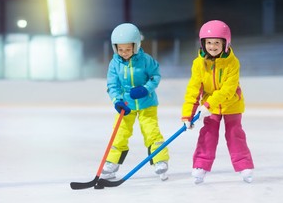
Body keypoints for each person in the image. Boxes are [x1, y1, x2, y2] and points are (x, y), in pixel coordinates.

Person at [181, 20, 254, 184]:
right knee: (208, 134)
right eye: (208, 42)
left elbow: (228, 89)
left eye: (216, 43)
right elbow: (193, 89)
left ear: (225, 44)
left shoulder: (233, 63)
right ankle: (200, 165)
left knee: (235, 134)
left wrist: (208, 105)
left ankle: (244, 166)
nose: (212, 46)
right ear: (202, 43)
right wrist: (187, 115)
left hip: (231, 104)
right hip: (210, 107)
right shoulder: (198, 64)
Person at [102, 22, 169, 181]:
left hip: (147, 103)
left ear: (136, 45)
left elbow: (155, 76)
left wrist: (146, 88)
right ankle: (112, 163)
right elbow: (112, 85)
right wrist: (116, 100)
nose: (124, 53)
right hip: (126, 105)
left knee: (151, 132)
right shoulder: (114, 64)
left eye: (128, 49)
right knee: (119, 133)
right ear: (115, 48)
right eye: (120, 49)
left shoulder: (146, 60)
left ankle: (160, 161)